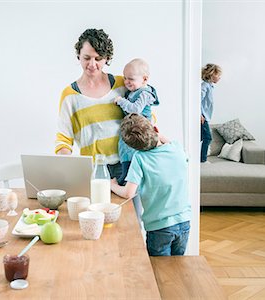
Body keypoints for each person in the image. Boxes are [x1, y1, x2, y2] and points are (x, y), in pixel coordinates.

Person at [110, 113, 191, 256]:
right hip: (184, 222)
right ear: (156, 129)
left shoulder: (140, 158)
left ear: (132, 146)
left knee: (159, 269)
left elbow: (129, 193)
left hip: (159, 228)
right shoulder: (176, 148)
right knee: (176, 266)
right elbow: (176, 149)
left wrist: (112, 185)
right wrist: (157, 134)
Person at [55, 28, 126, 179]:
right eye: (87, 58)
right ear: (79, 56)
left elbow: (144, 116)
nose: (92, 64)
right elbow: (64, 138)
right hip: (94, 171)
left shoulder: (123, 84)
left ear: (106, 58)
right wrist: (64, 170)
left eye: (98, 58)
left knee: (131, 204)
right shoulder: (69, 95)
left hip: (127, 167)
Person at [113, 58, 159, 186]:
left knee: (131, 149)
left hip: (139, 129)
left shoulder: (144, 93)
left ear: (145, 79)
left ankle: (128, 176)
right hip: (132, 126)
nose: (126, 82)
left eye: (131, 79)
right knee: (124, 148)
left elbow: (136, 109)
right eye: (125, 78)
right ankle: (126, 173)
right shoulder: (134, 91)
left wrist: (121, 101)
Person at [201, 63, 222, 163]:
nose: (219, 78)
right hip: (202, 117)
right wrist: (200, 114)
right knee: (208, 138)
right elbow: (197, 100)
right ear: (212, 74)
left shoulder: (209, 86)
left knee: (201, 137)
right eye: (218, 75)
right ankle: (203, 159)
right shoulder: (205, 86)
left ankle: (199, 156)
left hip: (205, 117)